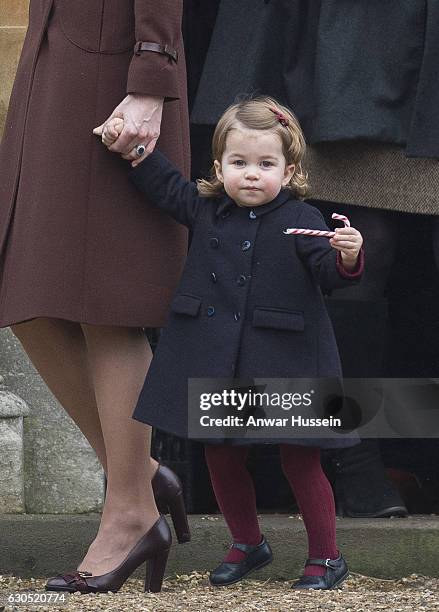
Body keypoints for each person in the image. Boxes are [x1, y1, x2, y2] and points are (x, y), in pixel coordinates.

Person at [97, 96, 364, 590]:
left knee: (299, 457)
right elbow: (166, 188)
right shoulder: (207, 211)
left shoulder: (302, 218)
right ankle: (247, 543)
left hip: (287, 359)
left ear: (289, 169)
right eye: (239, 163)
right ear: (219, 167)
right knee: (219, 454)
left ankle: (327, 556)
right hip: (218, 357)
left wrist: (347, 255)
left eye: (266, 164)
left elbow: (331, 273)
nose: (251, 175)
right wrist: (134, 150)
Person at [0, 0, 191, 594]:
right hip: (50, 63)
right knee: (25, 294)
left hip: (115, 70)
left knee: (109, 303)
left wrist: (150, 77)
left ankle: (132, 510)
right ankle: (139, 477)